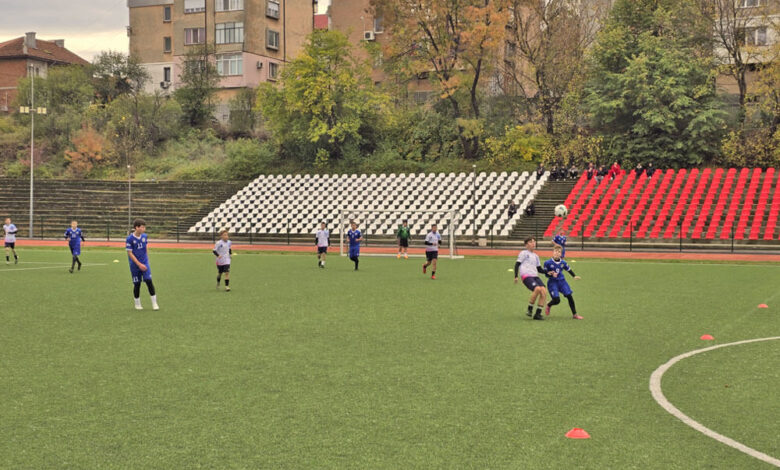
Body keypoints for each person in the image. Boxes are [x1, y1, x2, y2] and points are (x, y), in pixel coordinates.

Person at [126, 218, 159, 310]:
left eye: (144, 227)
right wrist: (139, 264)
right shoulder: (130, 239)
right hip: (135, 265)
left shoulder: (144, 236)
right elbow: (130, 253)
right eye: (142, 227)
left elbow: (146, 247)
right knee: (137, 284)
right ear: (136, 227)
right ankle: (137, 304)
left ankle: (154, 303)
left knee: (149, 281)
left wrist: (147, 260)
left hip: (145, 263)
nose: (144, 229)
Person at [544, 246, 583, 319]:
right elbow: (546, 274)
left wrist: (574, 276)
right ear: (553, 252)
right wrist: (551, 274)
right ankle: (549, 304)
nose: (557, 253)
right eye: (555, 251)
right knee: (557, 300)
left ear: (561, 254)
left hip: (562, 281)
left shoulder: (563, 262)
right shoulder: (547, 263)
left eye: (559, 252)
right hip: (552, 282)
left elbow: (568, 269)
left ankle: (575, 314)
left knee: (569, 296)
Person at [514, 237, 547, 320]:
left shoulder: (536, 256)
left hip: (535, 276)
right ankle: (530, 309)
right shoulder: (523, 253)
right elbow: (517, 264)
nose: (533, 243)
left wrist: (548, 272)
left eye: (534, 241)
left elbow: (539, 269)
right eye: (531, 242)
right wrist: (516, 276)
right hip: (526, 276)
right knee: (537, 289)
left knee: (544, 291)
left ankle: (538, 314)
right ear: (526, 244)